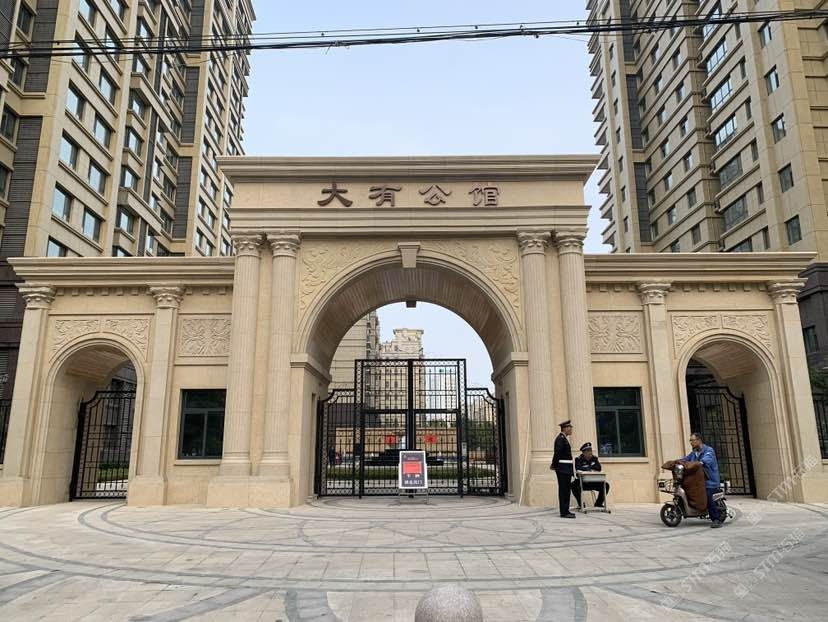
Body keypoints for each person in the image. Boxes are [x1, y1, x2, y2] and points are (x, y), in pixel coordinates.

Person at [682, 432, 723, 528]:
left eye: (692, 440)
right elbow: (685, 459)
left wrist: (699, 463)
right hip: (699, 482)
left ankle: (716, 519)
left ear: (699, 440)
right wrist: (677, 462)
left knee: (707, 496)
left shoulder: (709, 451)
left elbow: (705, 461)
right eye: (690, 440)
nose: (691, 442)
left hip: (710, 483)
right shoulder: (694, 453)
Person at [571, 442, 610, 508]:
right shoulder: (578, 459)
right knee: (573, 485)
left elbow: (599, 468)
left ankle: (598, 503)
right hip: (582, 482)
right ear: (584, 452)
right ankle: (581, 504)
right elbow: (578, 468)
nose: (590, 452)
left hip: (593, 481)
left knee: (606, 485)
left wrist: (587, 468)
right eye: (588, 451)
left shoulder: (594, 458)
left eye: (591, 450)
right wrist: (590, 469)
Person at [551, 420, 575, 518]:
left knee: (566, 490)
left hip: (566, 468)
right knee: (564, 490)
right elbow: (557, 453)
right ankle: (564, 512)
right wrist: (554, 465)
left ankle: (566, 510)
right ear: (565, 428)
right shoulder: (560, 439)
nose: (571, 429)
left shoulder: (563, 438)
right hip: (563, 468)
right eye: (570, 427)